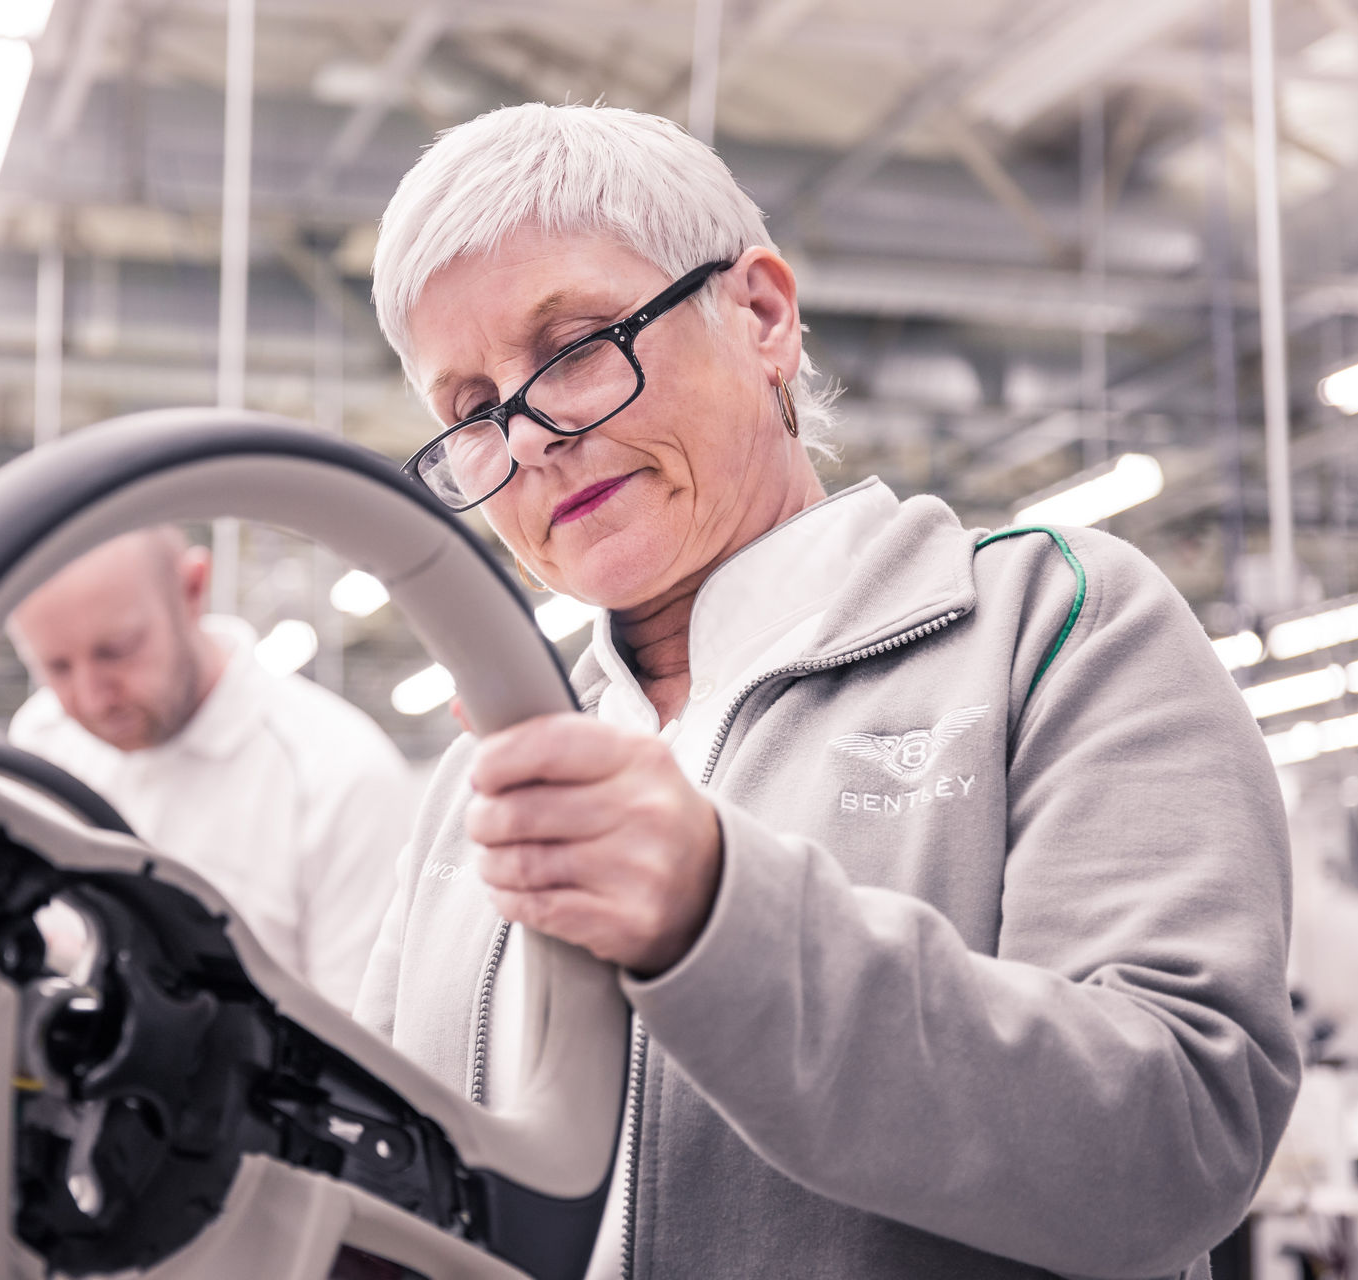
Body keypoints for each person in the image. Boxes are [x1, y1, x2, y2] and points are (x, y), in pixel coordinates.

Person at [354, 103, 1299, 1279]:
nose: (531, 437)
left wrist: (717, 914)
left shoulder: (1052, 626)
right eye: (473, 411)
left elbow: (1176, 1139)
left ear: (761, 315)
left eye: (578, 345)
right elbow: (380, 1176)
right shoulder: (480, 779)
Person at [8, 526, 413, 1011]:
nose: (92, 699)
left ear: (191, 590)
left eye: (116, 650)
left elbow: (362, 1042)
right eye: (56, 668)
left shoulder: (340, 778)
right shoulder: (40, 740)